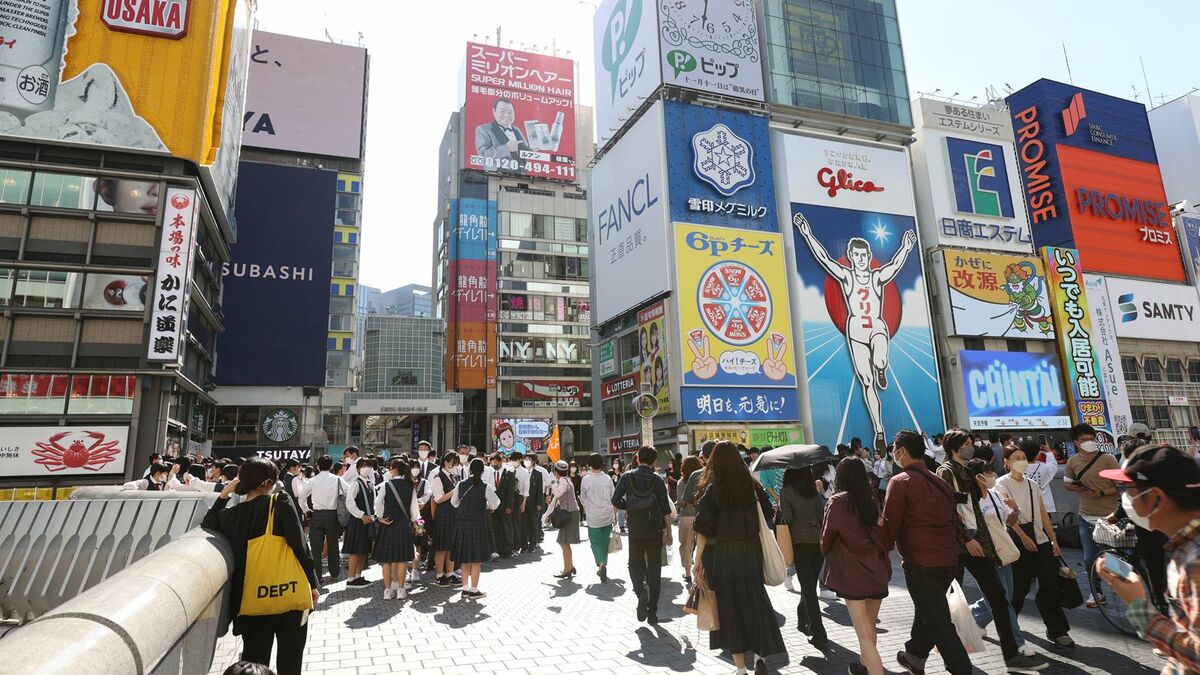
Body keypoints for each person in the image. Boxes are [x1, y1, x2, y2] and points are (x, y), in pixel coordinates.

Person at [794, 211, 916, 451]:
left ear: (868, 256)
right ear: (850, 257)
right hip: (856, 330)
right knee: (867, 382)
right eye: (856, 255)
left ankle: (881, 368)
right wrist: (807, 234)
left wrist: (906, 247)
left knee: (880, 361)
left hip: (876, 326)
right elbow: (824, 259)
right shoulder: (847, 277)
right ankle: (879, 429)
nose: (860, 259)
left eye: (863, 255)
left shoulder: (876, 277)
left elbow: (895, 265)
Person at [936, 430, 1045, 673]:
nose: (970, 447)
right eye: (965, 444)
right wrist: (966, 539)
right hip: (959, 547)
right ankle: (929, 653)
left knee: (999, 598)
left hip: (980, 545)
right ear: (953, 447)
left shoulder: (967, 471)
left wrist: (986, 545)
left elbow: (975, 510)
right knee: (947, 601)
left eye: (970, 443)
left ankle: (1012, 655)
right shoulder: (946, 471)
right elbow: (949, 510)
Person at [202, 458, 317, 675]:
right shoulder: (280, 502)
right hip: (291, 596)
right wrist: (312, 584)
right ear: (267, 484)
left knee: (254, 664)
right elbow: (300, 547)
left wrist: (224, 494)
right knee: (291, 664)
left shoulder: (231, 515)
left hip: (252, 603)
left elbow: (209, 522)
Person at [1095, 444, 1200, 675]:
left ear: (1154, 496)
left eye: (1127, 489)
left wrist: (1139, 607)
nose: (1125, 498)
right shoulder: (1184, 547)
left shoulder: (1194, 562)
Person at [883, 430, 971, 675]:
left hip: (921, 562)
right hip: (948, 560)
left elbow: (890, 524)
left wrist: (881, 551)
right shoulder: (939, 481)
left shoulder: (900, 482)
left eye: (894, 450)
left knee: (939, 623)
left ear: (902, 451)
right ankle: (915, 655)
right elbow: (954, 519)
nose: (893, 455)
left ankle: (962, 669)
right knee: (928, 611)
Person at [692, 441, 785, 675]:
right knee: (755, 601)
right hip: (751, 551)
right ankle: (760, 658)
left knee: (729, 609)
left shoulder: (714, 489)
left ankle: (741, 669)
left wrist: (697, 560)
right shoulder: (752, 487)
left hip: (724, 554)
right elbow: (768, 513)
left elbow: (703, 528)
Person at [996, 442, 1072, 648]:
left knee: (1050, 585)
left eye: (1023, 458)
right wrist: (1023, 537)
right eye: (1016, 458)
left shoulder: (1032, 485)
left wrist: (1053, 540)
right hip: (1018, 542)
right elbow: (1008, 517)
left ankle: (1057, 630)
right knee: (1018, 589)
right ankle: (1009, 628)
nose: (1022, 462)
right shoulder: (1001, 484)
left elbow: (1043, 515)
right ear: (1007, 462)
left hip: (1040, 540)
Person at [821, 458, 890, 675]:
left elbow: (826, 539)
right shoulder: (870, 499)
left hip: (852, 574)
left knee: (864, 635)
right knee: (869, 629)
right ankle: (862, 668)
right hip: (877, 570)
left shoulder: (836, 502)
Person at [966, 459, 1036, 658]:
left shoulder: (995, 495)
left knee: (1006, 597)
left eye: (991, 471)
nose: (992, 476)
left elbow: (1009, 521)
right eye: (987, 472)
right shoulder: (969, 501)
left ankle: (974, 617)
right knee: (1003, 600)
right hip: (984, 555)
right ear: (977, 477)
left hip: (1003, 552)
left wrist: (1015, 511)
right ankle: (1017, 642)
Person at [612, 445, 673, 624]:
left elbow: (615, 500)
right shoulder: (657, 480)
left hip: (635, 529)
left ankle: (640, 591)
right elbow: (666, 508)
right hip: (654, 529)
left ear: (637, 459)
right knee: (655, 568)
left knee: (634, 563)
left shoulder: (627, 476)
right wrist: (669, 531)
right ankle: (652, 612)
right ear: (654, 461)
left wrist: (629, 507)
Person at [1062, 423, 1119, 607]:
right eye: (1084, 439)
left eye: (1091, 439)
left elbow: (1120, 484)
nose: (1089, 442)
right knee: (1089, 558)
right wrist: (1075, 487)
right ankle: (1097, 592)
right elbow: (1066, 483)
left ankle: (1122, 584)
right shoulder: (1073, 462)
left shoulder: (1108, 459)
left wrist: (1100, 493)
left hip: (1111, 515)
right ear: (1076, 442)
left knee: (1115, 555)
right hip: (1087, 516)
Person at [780, 465, 827, 646]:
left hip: (800, 542)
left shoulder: (786, 492)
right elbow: (822, 515)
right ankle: (803, 618)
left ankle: (819, 632)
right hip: (818, 542)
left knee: (808, 589)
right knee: (810, 585)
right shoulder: (813, 491)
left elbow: (789, 518)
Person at [451, 458, 501, 598]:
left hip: (462, 524)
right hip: (478, 524)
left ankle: (465, 588)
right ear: (483, 471)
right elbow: (496, 503)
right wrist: (487, 507)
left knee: (464, 558)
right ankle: (474, 590)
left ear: (470, 469)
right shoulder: (485, 486)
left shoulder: (461, 484)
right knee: (475, 559)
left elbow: (454, 503)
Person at [374, 458, 419, 600]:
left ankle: (387, 591)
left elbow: (378, 503)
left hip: (388, 524)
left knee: (386, 560)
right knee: (402, 560)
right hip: (403, 526)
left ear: (394, 470)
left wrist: (380, 517)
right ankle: (400, 590)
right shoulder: (410, 486)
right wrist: (416, 522)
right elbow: (414, 509)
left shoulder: (386, 485)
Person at [295, 455, 344, 585]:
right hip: (332, 514)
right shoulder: (337, 479)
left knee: (315, 547)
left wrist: (306, 510)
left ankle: (317, 575)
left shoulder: (312, 480)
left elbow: (301, 497)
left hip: (316, 514)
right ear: (331, 466)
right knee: (333, 544)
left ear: (317, 466)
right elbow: (348, 492)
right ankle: (334, 572)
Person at [580, 452, 616, 581]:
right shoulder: (607, 478)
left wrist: (587, 507)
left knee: (595, 542)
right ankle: (603, 565)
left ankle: (601, 564)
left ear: (589, 465)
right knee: (605, 543)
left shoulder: (586, 480)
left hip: (593, 516)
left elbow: (582, 499)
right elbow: (613, 497)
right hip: (607, 514)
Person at [544, 460, 581, 578]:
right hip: (570, 513)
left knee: (564, 542)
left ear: (556, 472)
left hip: (569, 514)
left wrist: (553, 482)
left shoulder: (563, 481)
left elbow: (558, 494)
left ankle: (567, 569)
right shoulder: (566, 480)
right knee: (564, 542)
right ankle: (570, 566)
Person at [343, 458, 376, 587]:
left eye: (369, 466)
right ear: (358, 469)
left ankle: (358, 576)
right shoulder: (356, 483)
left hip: (367, 521)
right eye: (363, 466)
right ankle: (351, 578)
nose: (367, 468)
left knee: (363, 551)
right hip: (358, 521)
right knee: (355, 550)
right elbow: (349, 502)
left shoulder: (370, 484)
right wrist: (361, 515)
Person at [473, 97, 528, 172]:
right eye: (502, 111)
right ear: (494, 111)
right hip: (495, 175)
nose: (507, 115)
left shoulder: (517, 130)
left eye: (510, 112)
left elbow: (525, 154)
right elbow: (483, 154)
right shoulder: (483, 129)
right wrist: (507, 148)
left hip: (521, 175)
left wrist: (531, 150)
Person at [430, 452, 460, 586]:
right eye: (453, 463)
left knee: (451, 546)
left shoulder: (454, 477)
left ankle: (450, 573)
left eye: (456, 464)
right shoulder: (438, 478)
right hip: (443, 514)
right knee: (441, 546)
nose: (454, 466)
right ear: (446, 462)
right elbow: (438, 498)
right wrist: (454, 492)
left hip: (454, 514)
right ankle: (439, 575)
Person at [677, 455, 703, 586]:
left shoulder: (681, 483)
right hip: (701, 515)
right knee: (702, 545)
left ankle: (687, 573)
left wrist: (688, 502)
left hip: (686, 517)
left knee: (685, 546)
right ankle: (700, 572)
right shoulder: (703, 479)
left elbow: (681, 502)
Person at [492, 453, 518, 557]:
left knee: (507, 527)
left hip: (505, 505)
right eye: (492, 463)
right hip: (495, 506)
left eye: (495, 463)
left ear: (500, 462)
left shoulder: (509, 473)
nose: (494, 465)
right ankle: (498, 549)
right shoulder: (492, 473)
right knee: (496, 528)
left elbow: (511, 491)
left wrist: (509, 506)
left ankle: (508, 549)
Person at [610, 457, 627, 533]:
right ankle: (613, 523)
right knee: (612, 510)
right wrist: (611, 478)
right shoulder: (610, 473)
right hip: (612, 492)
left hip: (621, 493)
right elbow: (608, 483)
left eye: (616, 463)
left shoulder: (623, 474)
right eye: (614, 463)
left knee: (621, 510)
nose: (615, 464)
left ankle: (621, 525)